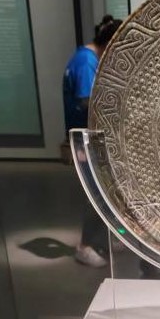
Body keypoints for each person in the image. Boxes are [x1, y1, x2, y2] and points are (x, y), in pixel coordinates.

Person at [63, 15, 122, 267]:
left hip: (88, 137)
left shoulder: (84, 57)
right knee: (95, 193)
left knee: (102, 191)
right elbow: (89, 102)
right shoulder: (87, 62)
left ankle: (101, 239)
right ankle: (85, 246)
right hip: (86, 138)